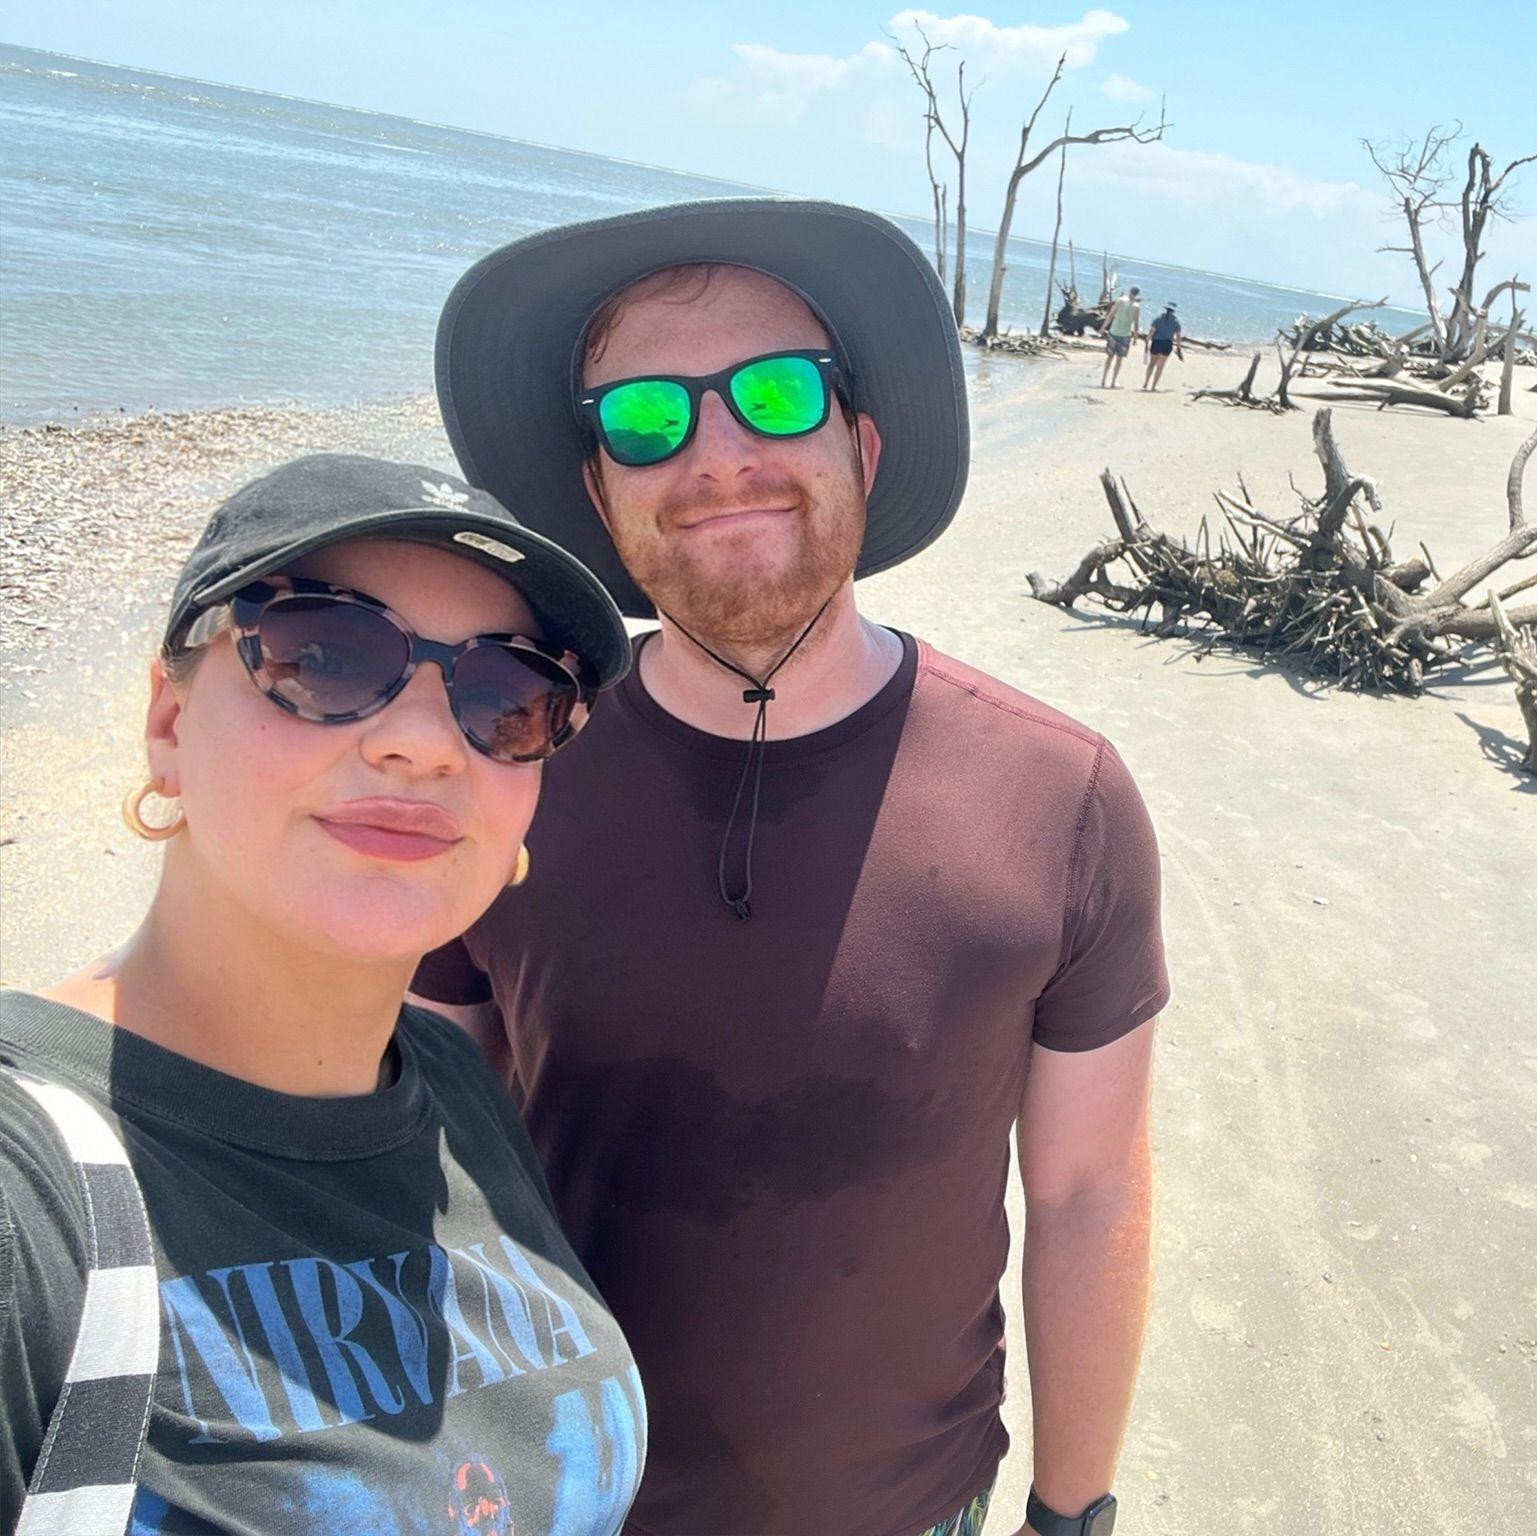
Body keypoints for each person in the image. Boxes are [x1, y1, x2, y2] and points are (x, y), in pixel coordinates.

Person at [419, 200, 1168, 1536]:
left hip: (912, 1506)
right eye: (646, 419)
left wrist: (1073, 1512)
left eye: (773, 393)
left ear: (860, 449)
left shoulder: (1063, 798)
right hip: (555, 1496)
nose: (718, 454)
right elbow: (423, 1149)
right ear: (600, 489)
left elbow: (1088, 1192)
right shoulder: (497, 774)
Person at [0, 455, 646, 1536]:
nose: (424, 743)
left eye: (508, 696)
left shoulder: (446, 1081)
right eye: (326, 656)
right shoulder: (30, 1205)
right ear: (168, 724)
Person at [1099, 284, 1141, 389]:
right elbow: (1136, 323)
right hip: (1125, 334)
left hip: (1114, 332)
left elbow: (1111, 315)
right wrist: (1135, 337)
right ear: (1137, 294)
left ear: (1130, 290)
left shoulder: (1120, 300)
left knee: (1110, 357)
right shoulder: (1136, 306)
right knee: (1119, 359)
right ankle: (1113, 382)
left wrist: (1103, 327)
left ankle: (1104, 380)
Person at [1142, 303, 1184, 390]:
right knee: (1160, 366)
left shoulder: (1158, 319)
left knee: (1151, 364)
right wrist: (1179, 347)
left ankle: (1146, 382)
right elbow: (1178, 336)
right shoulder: (1176, 322)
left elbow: (1151, 331)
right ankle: (1153, 386)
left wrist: (1147, 340)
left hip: (1156, 342)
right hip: (1167, 344)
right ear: (1174, 311)